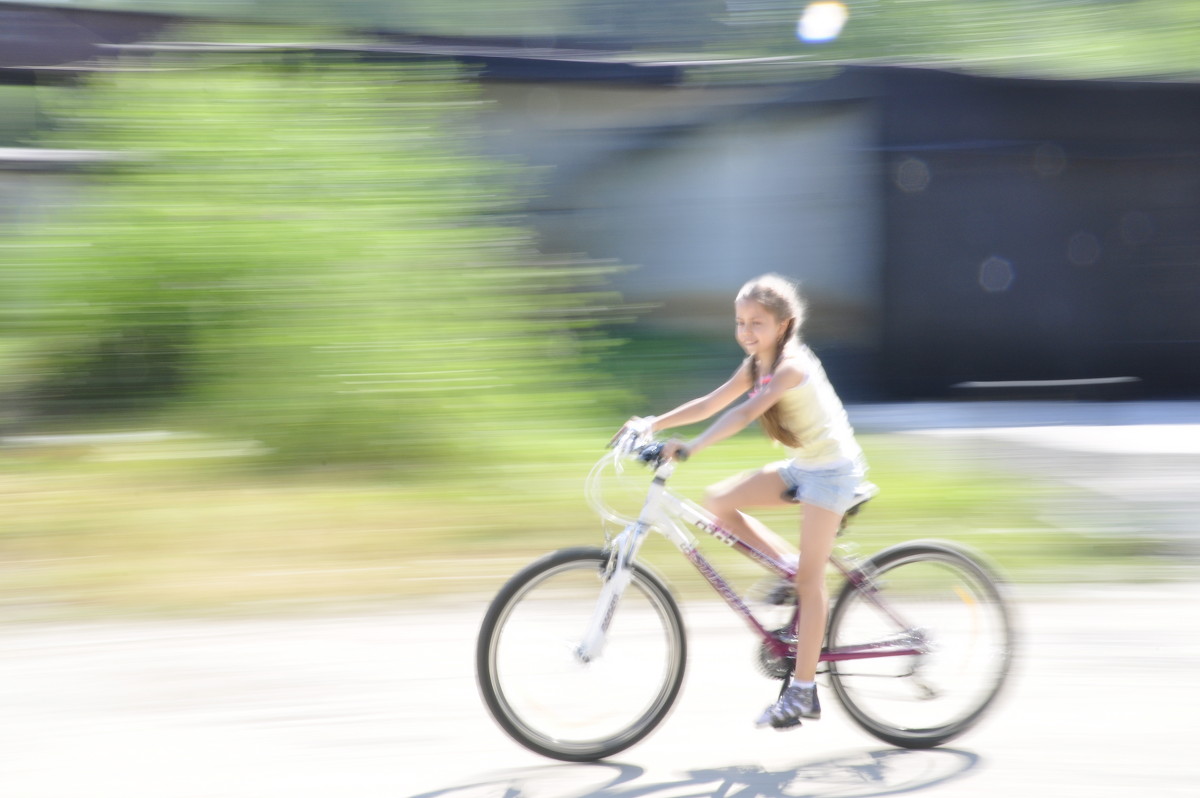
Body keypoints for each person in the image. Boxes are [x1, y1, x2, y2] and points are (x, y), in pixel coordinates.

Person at [618, 273, 870, 730]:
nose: (747, 332)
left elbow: (743, 412)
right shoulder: (756, 363)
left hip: (832, 474)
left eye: (757, 323)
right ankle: (793, 571)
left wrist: (692, 447)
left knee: (812, 583)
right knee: (721, 502)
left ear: (783, 325)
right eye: (740, 322)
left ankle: (804, 691)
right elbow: (713, 401)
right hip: (805, 467)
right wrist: (653, 424)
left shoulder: (791, 366)